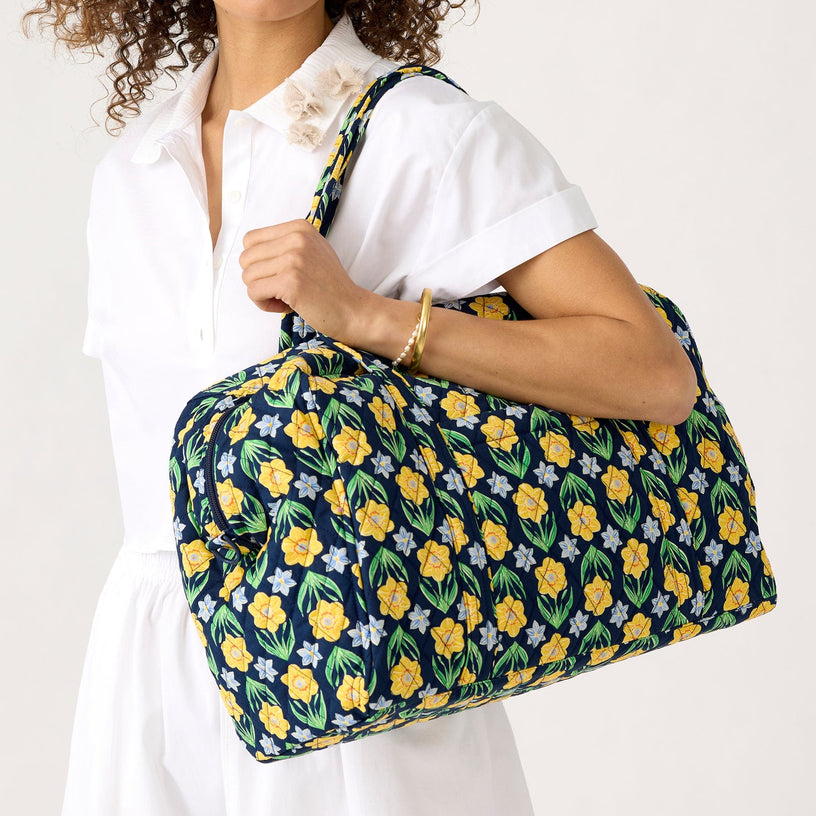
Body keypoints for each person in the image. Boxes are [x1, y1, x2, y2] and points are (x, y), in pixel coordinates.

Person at [22, 1, 698, 814]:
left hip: (361, 677)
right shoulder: (133, 169)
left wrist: (369, 318)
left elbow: (654, 372)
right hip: (154, 679)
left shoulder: (429, 134)